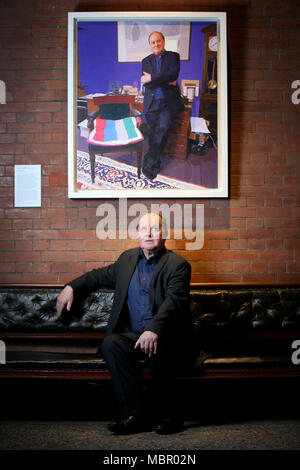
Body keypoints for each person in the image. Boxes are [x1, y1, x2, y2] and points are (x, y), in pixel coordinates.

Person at [56, 212, 197, 435]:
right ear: (138, 234)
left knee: (157, 347)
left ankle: (171, 416)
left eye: (155, 229)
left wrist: (153, 329)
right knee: (111, 343)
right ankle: (135, 414)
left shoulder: (178, 265)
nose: (149, 234)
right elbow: (99, 276)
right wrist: (71, 286)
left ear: (165, 234)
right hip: (133, 333)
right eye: (143, 229)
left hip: (166, 334)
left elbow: (174, 302)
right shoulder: (127, 260)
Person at [141, 32, 185, 180]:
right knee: (153, 133)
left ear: (163, 41)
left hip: (167, 103)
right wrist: (164, 79)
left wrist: (152, 77)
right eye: (152, 42)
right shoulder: (145, 61)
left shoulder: (174, 56)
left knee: (161, 129)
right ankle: (154, 160)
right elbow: (154, 82)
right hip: (152, 103)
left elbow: (173, 75)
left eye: (158, 41)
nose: (156, 44)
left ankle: (150, 163)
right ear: (149, 45)